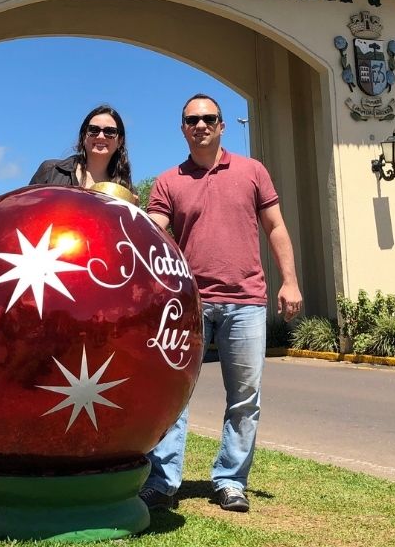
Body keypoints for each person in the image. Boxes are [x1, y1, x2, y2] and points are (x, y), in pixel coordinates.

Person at [141, 93, 303, 514]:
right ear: (182, 128)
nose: (201, 125)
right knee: (175, 396)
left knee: (245, 397)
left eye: (208, 118)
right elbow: (153, 237)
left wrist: (290, 281)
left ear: (222, 125)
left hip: (246, 301)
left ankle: (230, 480)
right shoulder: (168, 181)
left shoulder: (252, 171)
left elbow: (276, 227)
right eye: (192, 120)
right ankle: (162, 482)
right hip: (188, 305)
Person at [29, 105, 133, 191]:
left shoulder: (125, 189)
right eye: (93, 130)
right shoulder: (50, 171)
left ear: (120, 141)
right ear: (83, 137)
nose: (100, 136)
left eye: (110, 131)